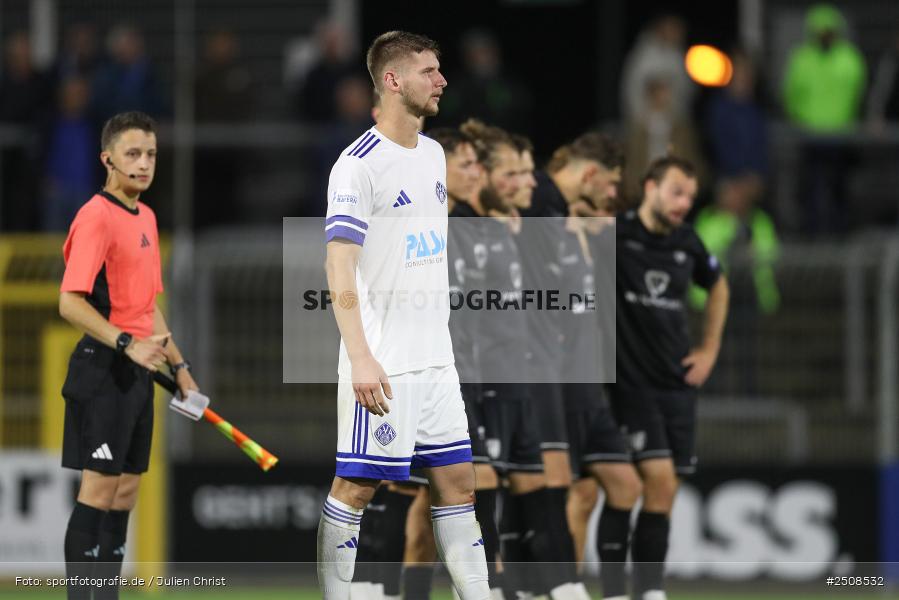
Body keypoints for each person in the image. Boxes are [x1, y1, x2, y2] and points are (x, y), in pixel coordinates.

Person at [317, 31, 489, 600]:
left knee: (458, 484)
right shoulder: (357, 166)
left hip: (436, 360)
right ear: (393, 81)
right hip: (383, 361)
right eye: (430, 71)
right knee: (357, 486)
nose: (442, 81)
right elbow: (339, 266)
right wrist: (361, 356)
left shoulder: (435, 154)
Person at [58, 111, 199, 600]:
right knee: (97, 493)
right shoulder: (95, 216)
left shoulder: (148, 216)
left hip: (139, 372)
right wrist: (124, 343)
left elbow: (147, 307)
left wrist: (179, 367)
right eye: (133, 154)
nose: (144, 164)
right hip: (103, 371)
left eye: (151, 155)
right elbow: (69, 301)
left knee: (124, 495)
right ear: (108, 159)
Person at [611, 156, 729, 600]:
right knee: (653, 479)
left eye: (691, 198)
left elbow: (718, 286)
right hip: (631, 382)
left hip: (677, 383)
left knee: (666, 491)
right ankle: (627, 589)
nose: (684, 204)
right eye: (677, 192)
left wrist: (709, 350)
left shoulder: (687, 243)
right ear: (650, 187)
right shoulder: (617, 233)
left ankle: (647, 590)